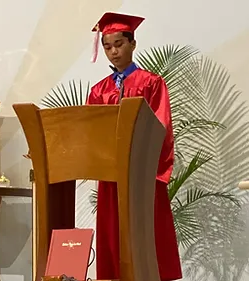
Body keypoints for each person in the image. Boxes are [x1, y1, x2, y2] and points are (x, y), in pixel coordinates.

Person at [87, 12, 182, 281]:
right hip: (110, 177)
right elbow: (90, 132)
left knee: (146, 239)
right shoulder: (98, 91)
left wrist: (148, 167)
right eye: (107, 47)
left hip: (142, 177)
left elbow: (161, 128)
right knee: (114, 241)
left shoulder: (151, 83)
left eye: (119, 44)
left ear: (132, 43)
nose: (113, 52)